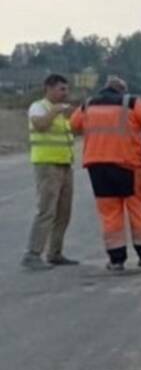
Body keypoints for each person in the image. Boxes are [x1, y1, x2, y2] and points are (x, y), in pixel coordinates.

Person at [70, 76, 141, 272]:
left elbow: (73, 125)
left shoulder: (88, 105)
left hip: (96, 165)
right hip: (127, 164)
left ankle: (116, 259)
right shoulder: (130, 102)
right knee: (137, 208)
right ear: (122, 90)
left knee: (109, 213)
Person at [22, 73, 77, 270]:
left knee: (64, 212)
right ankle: (32, 254)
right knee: (46, 211)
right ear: (49, 88)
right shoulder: (39, 106)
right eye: (62, 89)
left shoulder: (61, 113)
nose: (65, 93)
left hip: (64, 164)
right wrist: (55, 111)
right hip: (47, 165)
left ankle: (55, 253)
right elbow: (40, 125)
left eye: (66, 89)